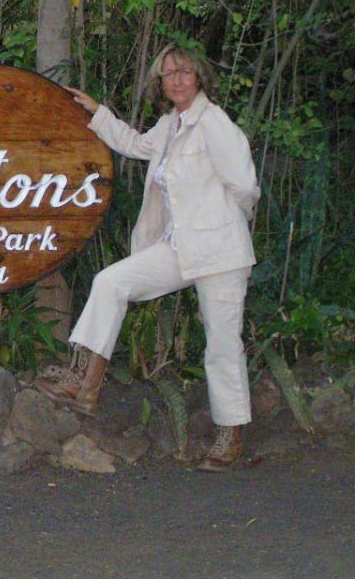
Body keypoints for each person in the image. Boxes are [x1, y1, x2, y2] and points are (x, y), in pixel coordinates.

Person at [34, 45, 261, 472]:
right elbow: (135, 144)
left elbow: (245, 186)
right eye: (168, 74)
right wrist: (98, 113)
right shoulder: (170, 125)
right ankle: (83, 381)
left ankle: (229, 435)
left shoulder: (213, 123)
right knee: (111, 281)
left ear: (199, 77)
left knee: (222, 345)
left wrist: (222, 222)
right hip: (178, 247)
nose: (176, 80)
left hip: (220, 251)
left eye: (184, 72)